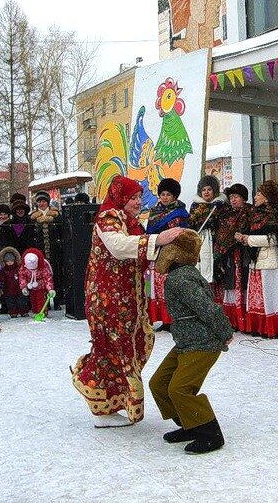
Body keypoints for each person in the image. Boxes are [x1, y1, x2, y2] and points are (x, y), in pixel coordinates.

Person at [71, 175, 183, 428]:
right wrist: (160, 239)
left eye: (138, 198)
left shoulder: (130, 221)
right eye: (132, 197)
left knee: (129, 346)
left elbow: (139, 251)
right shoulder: (108, 217)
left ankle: (113, 403)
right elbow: (119, 247)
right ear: (120, 197)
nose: (136, 202)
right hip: (108, 299)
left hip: (127, 296)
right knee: (113, 349)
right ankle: (103, 406)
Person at [149, 230, 233, 454]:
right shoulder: (179, 275)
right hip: (187, 340)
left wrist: (225, 331)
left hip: (202, 342)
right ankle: (190, 423)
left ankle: (210, 433)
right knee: (159, 383)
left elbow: (207, 308)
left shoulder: (182, 278)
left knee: (180, 389)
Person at [235, 180, 278, 337]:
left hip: (270, 262)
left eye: (259, 194)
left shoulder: (272, 214)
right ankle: (259, 326)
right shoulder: (255, 214)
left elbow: (274, 240)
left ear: (267, 197)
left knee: (271, 295)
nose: (255, 197)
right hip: (257, 261)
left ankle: (272, 327)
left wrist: (247, 239)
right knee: (259, 297)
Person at [146, 178, 190, 328]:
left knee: (170, 286)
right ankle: (160, 318)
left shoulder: (180, 213)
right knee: (156, 286)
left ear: (174, 197)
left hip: (173, 255)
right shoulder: (154, 212)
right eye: (162, 194)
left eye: (168, 195)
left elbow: (182, 234)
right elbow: (149, 231)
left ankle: (172, 319)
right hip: (157, 253)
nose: (164, 197)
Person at [213, 184, 252, 331]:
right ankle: (233, 320)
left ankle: (245, 319)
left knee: (244, 284)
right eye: (231, 198)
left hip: (244, 254)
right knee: (230, 284)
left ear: (243, 198)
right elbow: (222, 236)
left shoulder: (250, 212)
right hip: (229, 256)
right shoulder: (226, 215)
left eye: (236, 197)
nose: (233, 200)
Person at [187, 175, 227, 285]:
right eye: (203, 190)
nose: (206, 192)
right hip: (200, 239)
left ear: (214, 190)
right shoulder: (195, 206)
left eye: (209, 189)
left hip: (216, 241)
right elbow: (190, 224)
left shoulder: (221, 205)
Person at [18, 248, 54, 318]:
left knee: (41, 299)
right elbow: (22, 277)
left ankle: (42, 312)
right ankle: (35, 311)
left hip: (41, 287)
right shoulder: (23, 268)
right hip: (31, 286)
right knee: (33, 299)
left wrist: (50, 289)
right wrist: (24, 287)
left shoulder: (43, 267)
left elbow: (48, 277)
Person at [0, 247, 28, 318]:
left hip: (19, 289)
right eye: (7, 261)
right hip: (8, 290)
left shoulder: (18, 268)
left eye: (11, 261)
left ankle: (23, 311)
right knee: (11, 302)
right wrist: (1, 287)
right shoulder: (4, 270)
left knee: (22, 301)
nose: (10, 262)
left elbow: (23, 276)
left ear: (14, 260)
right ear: (5, 262)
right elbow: (1, 279)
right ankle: (13, 312)